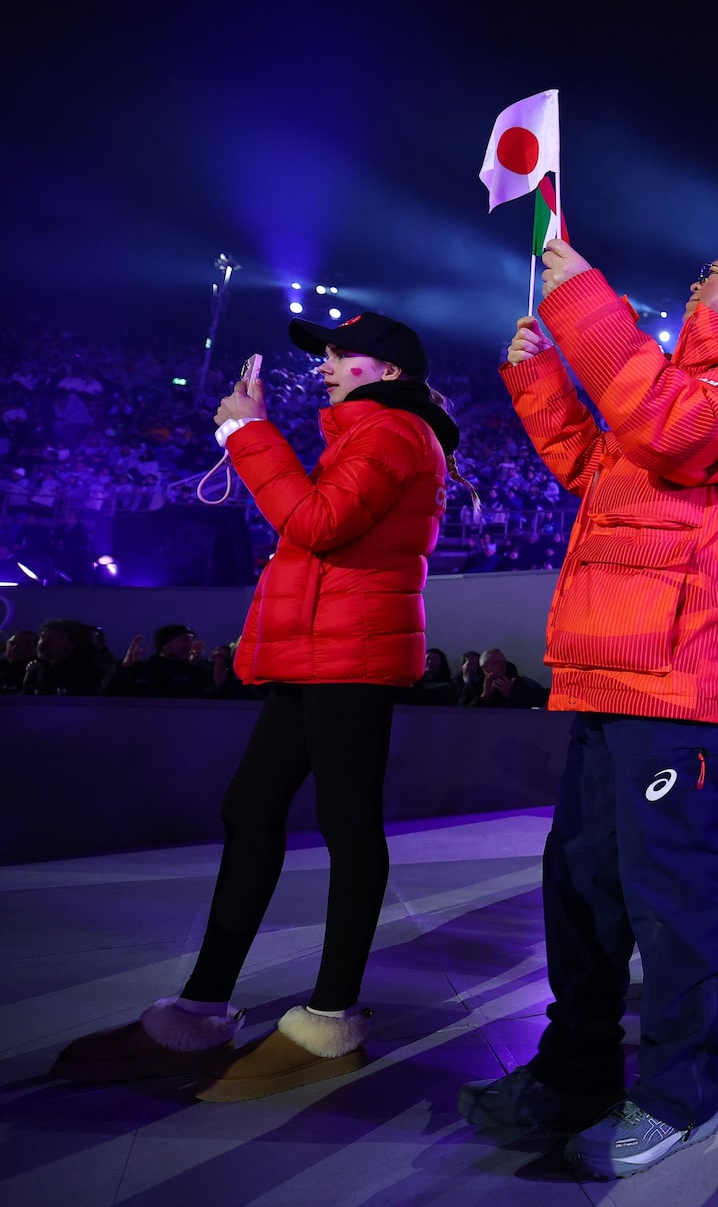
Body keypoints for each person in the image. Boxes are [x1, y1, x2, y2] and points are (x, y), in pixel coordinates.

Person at [458, 233, 718, 1180]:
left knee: (675, 898)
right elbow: (595, 467)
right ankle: (573, 1070)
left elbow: (678, 438)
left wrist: (585, 308)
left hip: (685, 679)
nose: (695, 281)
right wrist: (539, 378)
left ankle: (676, 1093)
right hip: (616, 669)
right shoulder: (672, 380)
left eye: (711, 272)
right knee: (581, 883)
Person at [54, 309, 454, 1099]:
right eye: (328, 353)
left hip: (353, 657)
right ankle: (200, 1009)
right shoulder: (364, 433)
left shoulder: (392, 433)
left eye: (346, 355)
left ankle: (329, 1018)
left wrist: (247, 436)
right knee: (253, 808)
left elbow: (317, 523)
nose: (329, 364)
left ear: (393, 373)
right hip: (324, 653)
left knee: (346, 825)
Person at [103, 624, 212, 697]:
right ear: (165, 643)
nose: (190, 644)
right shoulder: (143, 670)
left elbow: (207, 695)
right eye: (184, 639)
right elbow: (107, 693)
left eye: (192, 640)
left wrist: (196, 666)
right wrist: (125, 667)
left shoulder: (198, 668)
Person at [20, 618, 112, 696]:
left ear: (72, 644)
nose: (43, 642)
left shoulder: (93, 674)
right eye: (43, 636)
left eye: (53, 638)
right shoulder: (37, 671)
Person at [460, 647, 547, 709]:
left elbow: (527, 706)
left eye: (503, 662)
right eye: (497, 663)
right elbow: (461, 713)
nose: (503, 666)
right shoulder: (474, 684)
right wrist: (484, 696)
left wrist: (509, 694)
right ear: (484, 667)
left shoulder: (513, 681)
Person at [0, 628, 35, 693]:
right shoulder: (2, 666)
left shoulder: (39, 669)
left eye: (26, 643)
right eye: (12, 643)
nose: (15, 647)